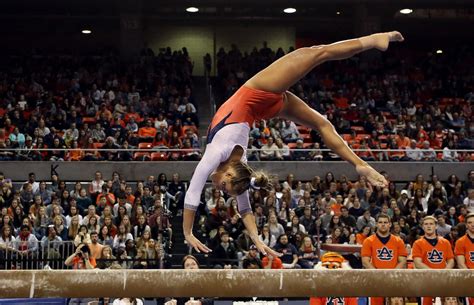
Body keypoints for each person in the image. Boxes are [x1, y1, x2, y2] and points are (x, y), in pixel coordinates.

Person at [183, 31, 403, 255]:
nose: (216, 186)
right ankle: (358, 163)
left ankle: (374, 40)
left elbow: (193, 191)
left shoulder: (216, 153)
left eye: (222, 187)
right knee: (318, 57)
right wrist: (257, 239)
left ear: (230, 175)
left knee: (319, 70)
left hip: (258, 93)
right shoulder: (239, 168)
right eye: (222, 187)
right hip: (261, 102)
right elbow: (244, 208)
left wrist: (188, 232)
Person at [361, 214, 407, 305]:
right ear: (376, 224)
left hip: (394, 280)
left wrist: (392, 275)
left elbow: (402, 261)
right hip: (375, 280)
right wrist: (378, 275)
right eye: (380, 222)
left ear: (390, 224)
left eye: (385, 222)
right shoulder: (368, 241)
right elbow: (365, 262)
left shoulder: (398, 241)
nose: (383, 224)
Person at [412, 216, 454, 305]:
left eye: (431, 224)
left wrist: (445, 272)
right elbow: (418, 263)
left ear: (436, 226)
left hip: (443, 279)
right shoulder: (417, 243)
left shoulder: (445, 242)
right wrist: (434, 273)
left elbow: (451, 260)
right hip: (425, 280)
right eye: (426, 224)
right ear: (423, 227)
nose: (428, 226)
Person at [454, 213, 474, 305]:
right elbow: (461, 263)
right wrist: (471, 278)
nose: (473, 225)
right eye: (470, 222)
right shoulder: (460, 242)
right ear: (466, 225)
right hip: (468, 278)